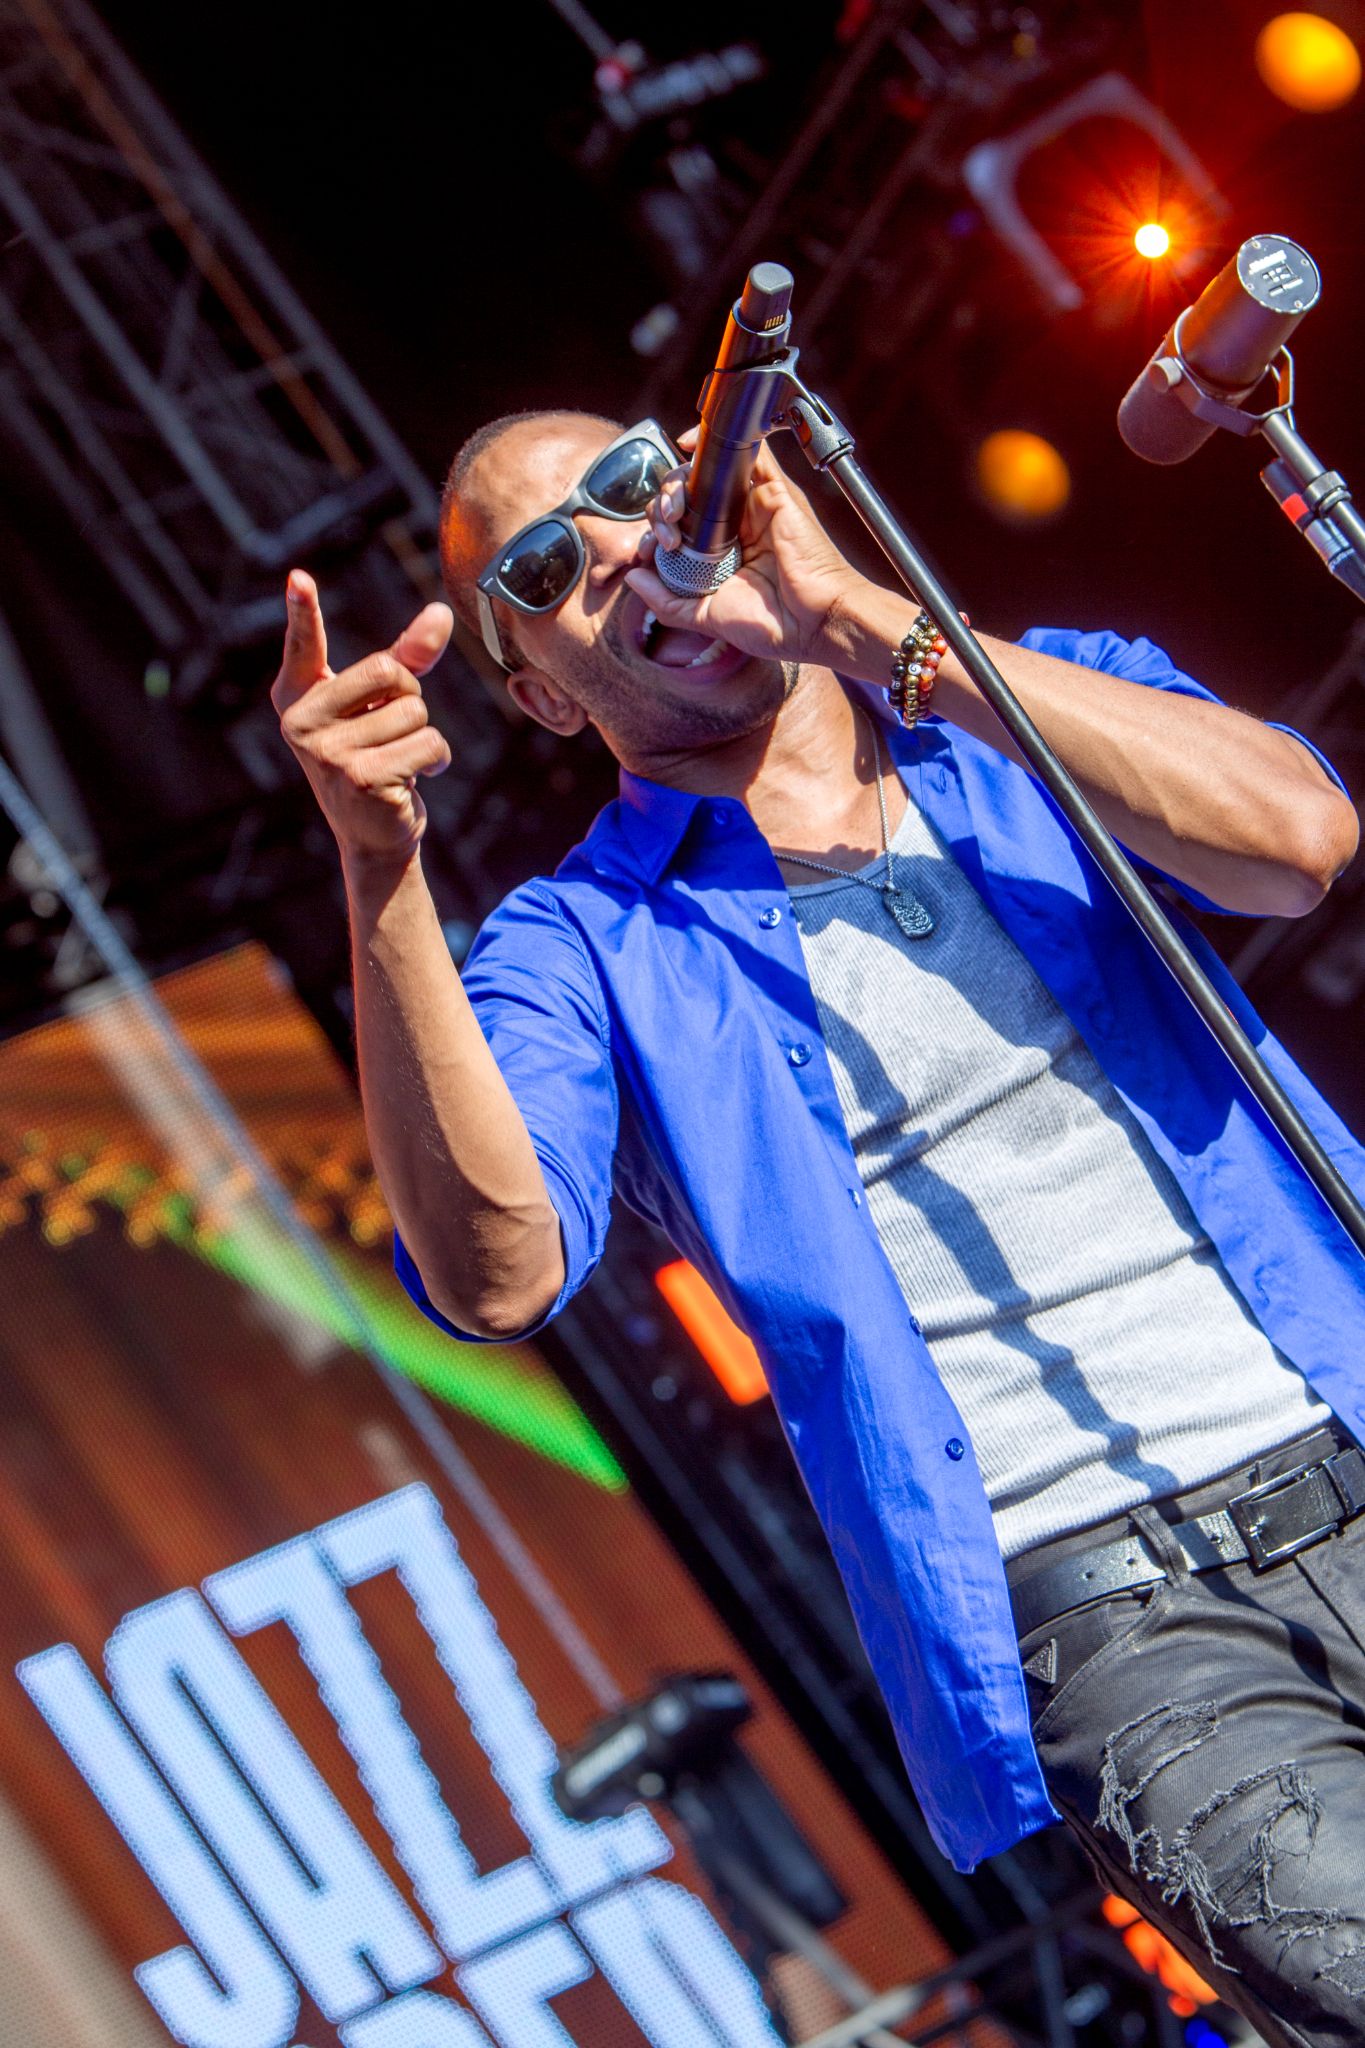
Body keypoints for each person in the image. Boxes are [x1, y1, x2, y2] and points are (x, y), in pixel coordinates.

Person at [272, 407, 1365, 2046]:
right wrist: (381, 876)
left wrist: (860, 621)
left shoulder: (1018, 696)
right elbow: (494, 1273)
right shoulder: (579, 947)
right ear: (540, 689)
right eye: (550, 568)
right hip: (1121, 1629)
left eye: (639, 489)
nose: (625, 548)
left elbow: (1295, 841)